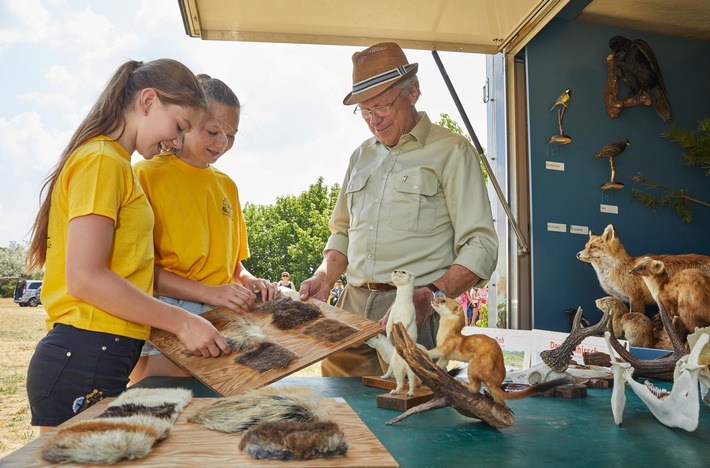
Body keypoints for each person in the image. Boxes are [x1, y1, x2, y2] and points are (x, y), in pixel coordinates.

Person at [24, 59, 230, 434]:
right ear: (148, 101)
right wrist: (182, 320)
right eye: (179, 126)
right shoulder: (103, 161)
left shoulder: (114, 162)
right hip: (85, 352)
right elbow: (85, 278)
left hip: (103, 352)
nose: (176, 141)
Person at [299, 42, 499, 377]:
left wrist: (429, 295)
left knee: (413, 417)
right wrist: (325, 275)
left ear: (414, 92)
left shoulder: (452, 151)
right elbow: (342, 232)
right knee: (339, 410)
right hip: (350, 308)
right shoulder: (360, 156)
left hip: (414, 312)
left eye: (382, 107)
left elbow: (481, 246)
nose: (374, 121)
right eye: (364, 111)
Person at [129, 75, 278, 382]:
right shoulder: (144, 174)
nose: (222, 143)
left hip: (224, 314)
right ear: (186, 121)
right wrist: (210, 292)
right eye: (212, 131)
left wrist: (250, 281)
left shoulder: (227, 185)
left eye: (231, 136)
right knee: (164, 397)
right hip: (166, 315)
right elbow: (139, 271)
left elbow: (233, 263)